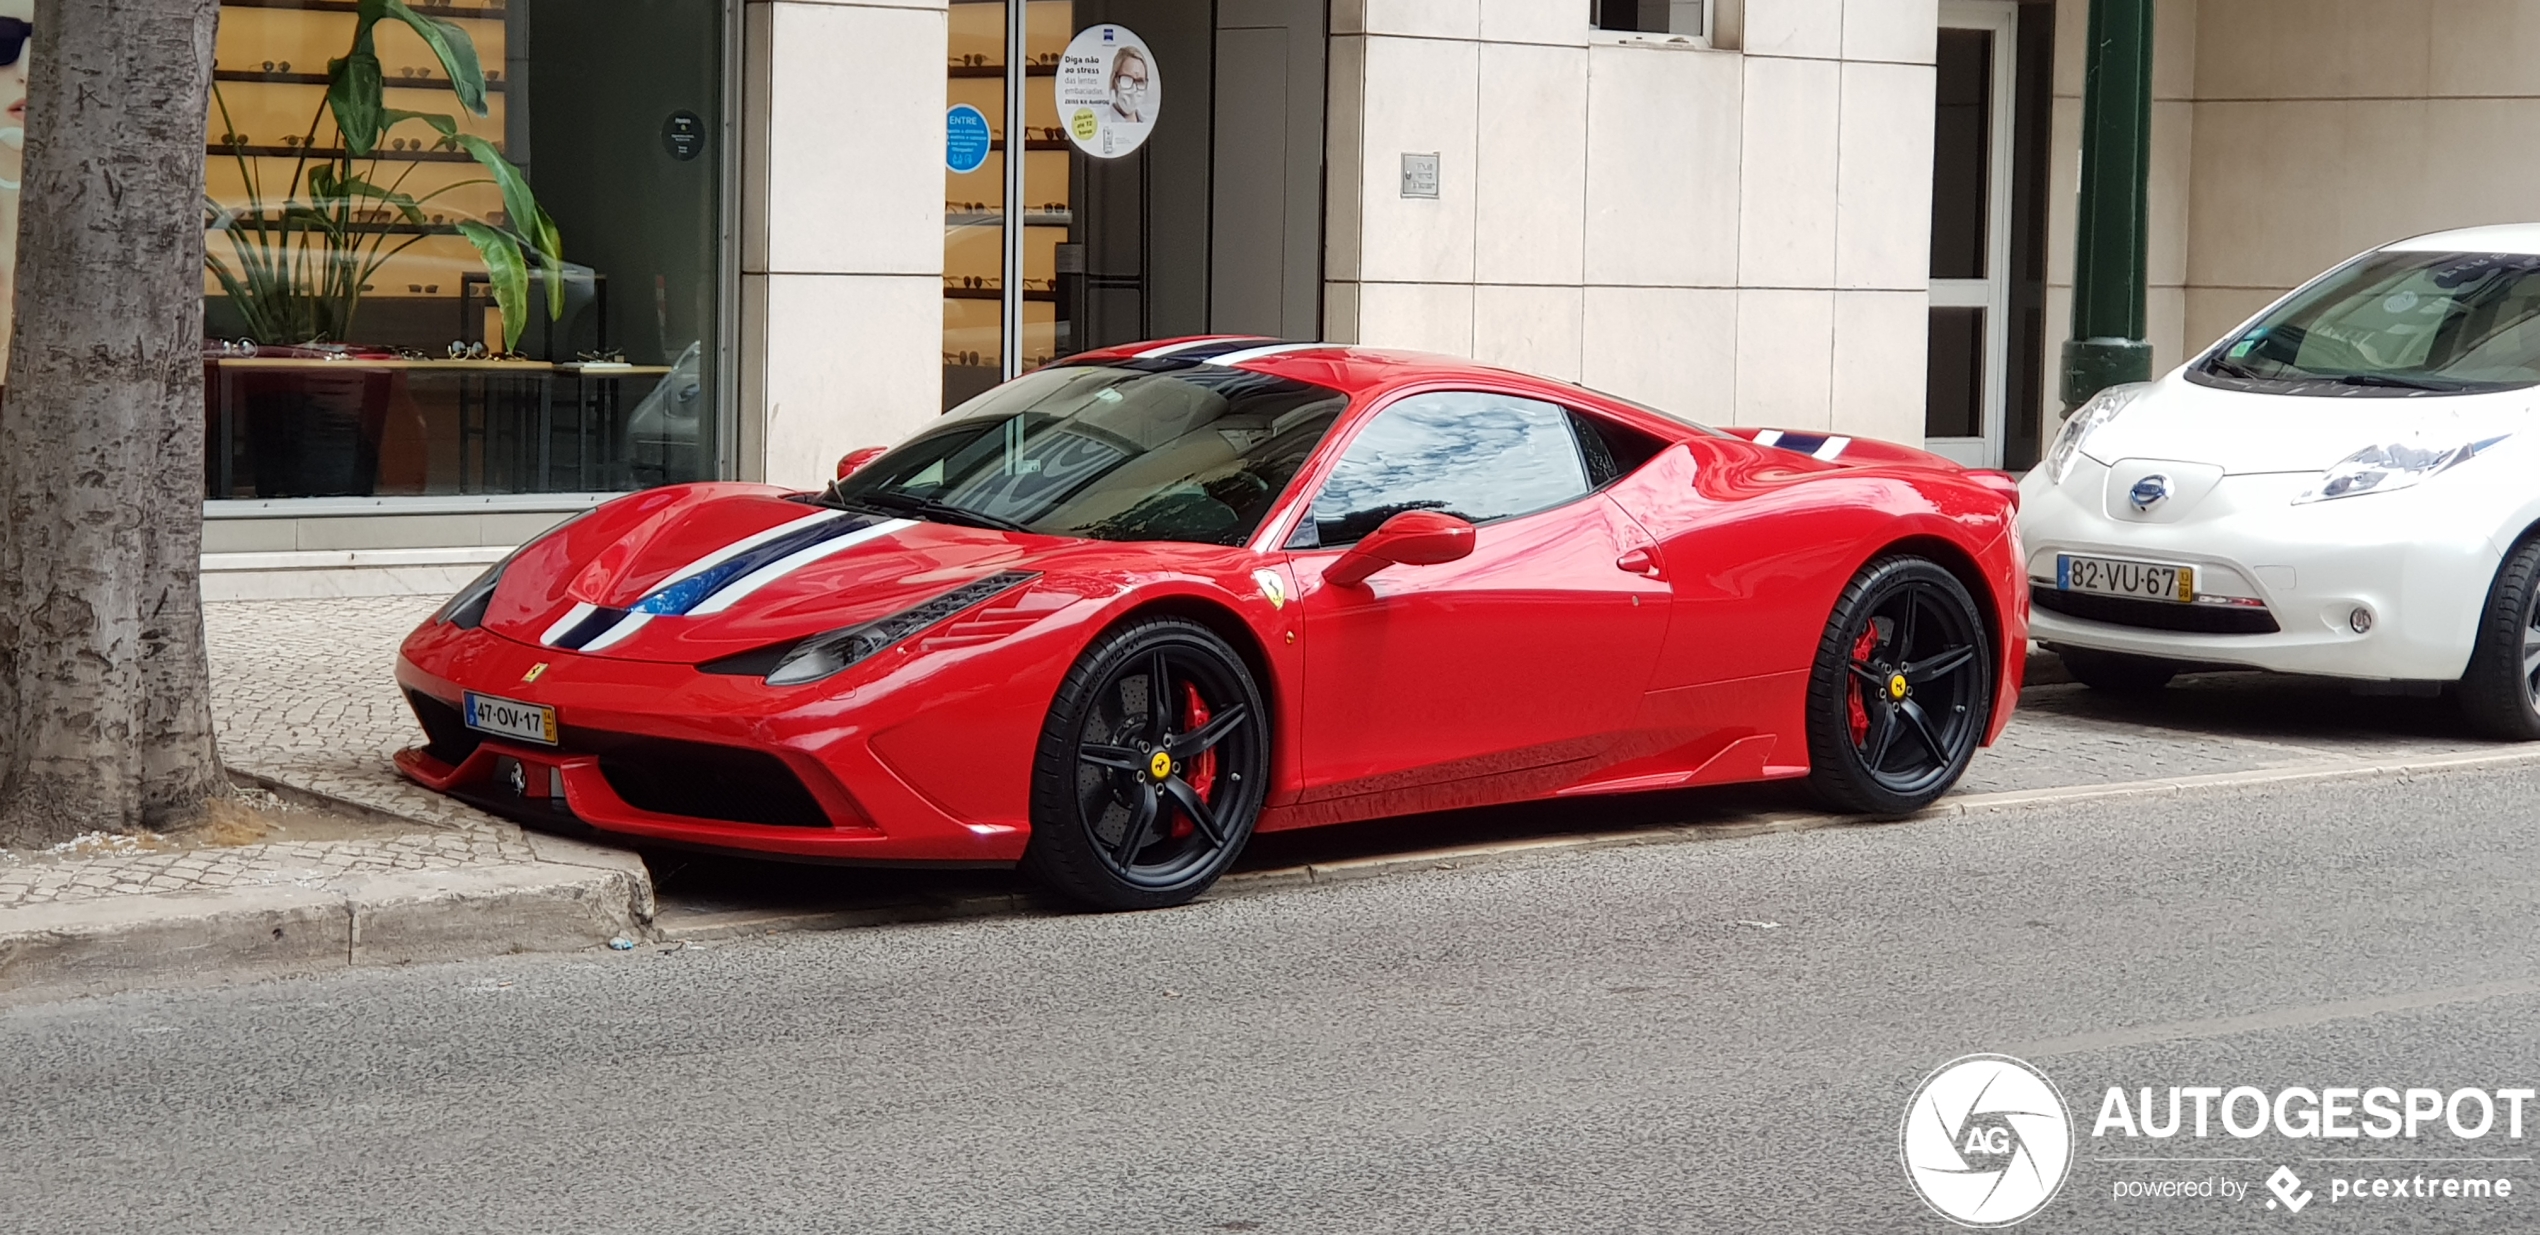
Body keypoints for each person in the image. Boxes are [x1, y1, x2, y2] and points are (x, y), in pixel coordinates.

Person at [1106, 45, 1149, 125]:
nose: (1134, 89)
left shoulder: (1148, 123)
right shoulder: (1102, 122)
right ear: (1115, 80)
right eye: (1126, 79)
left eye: (1140, 81)